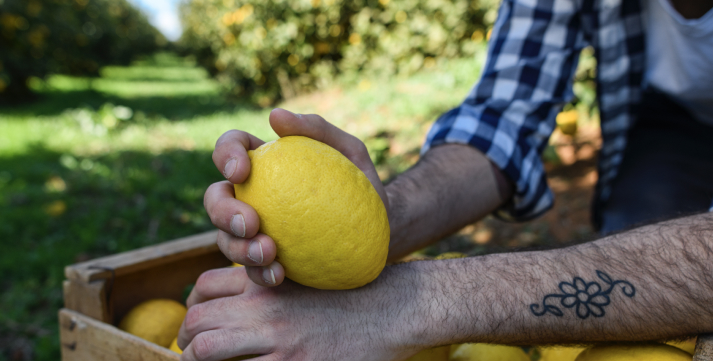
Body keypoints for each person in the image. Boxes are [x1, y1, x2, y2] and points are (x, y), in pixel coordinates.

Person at [176, 0, 713, 359]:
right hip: (671, 122)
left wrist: (416, 304)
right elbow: (501, 121)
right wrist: (383, 217)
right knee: (638, 251)